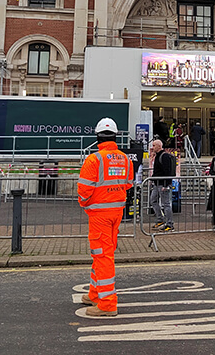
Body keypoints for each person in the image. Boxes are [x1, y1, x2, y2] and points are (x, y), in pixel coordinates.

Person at [77, 117, 134, 317]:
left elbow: (84, 191)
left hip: (99, 214)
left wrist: (86, 204)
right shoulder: (125, 159)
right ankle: (94, 294)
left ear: (98, 137)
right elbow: (128, 184)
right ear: (116, 136)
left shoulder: (94, 159)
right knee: (102, 253)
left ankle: (107, 304)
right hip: (116, 213)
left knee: (102, 256)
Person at [149, 139, 176, 231]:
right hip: (157, 183)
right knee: (153, 200)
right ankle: (160, 219)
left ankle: (169, 223)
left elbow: (167, 171)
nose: (152, 148)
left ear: (159, 146)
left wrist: (166, 184)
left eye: (154, 146)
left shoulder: (164, 156)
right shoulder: (158, 156)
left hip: (162, 184)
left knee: (166, 204)